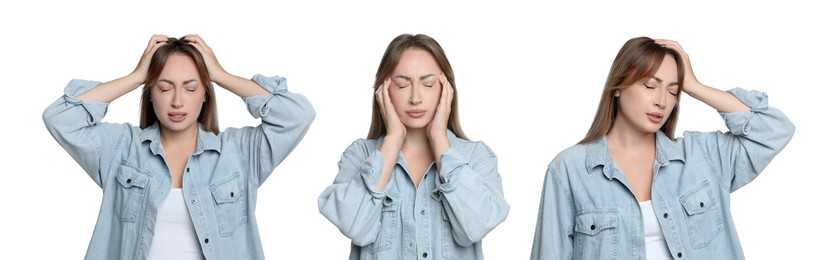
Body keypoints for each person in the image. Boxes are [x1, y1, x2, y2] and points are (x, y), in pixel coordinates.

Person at [43, 34, 315, 259]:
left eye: (190, 88)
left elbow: (297, 115)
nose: (177, 101)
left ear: (205, 94)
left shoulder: (238, 154)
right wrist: (136, 76)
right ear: (150, 95)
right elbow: (60, 118)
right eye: (164, 88)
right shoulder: (122, 149)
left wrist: (221, 74)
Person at [530, 37, 795, 259]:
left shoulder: (702, 156)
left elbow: (774, 129)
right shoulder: (569, 170)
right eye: (649, 86)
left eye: (672, 91)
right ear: (618, 88)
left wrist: (694, 86)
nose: (662, 101)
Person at [317, 33, 510, 259]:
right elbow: (354, 226)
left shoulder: (476, 157)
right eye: (401, 85)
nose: (416, 97)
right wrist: (393, 138)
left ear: (445, 88)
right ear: (383, 90)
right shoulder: (359, 155)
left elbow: (476, 227)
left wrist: (439, 139)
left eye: (428, 84)